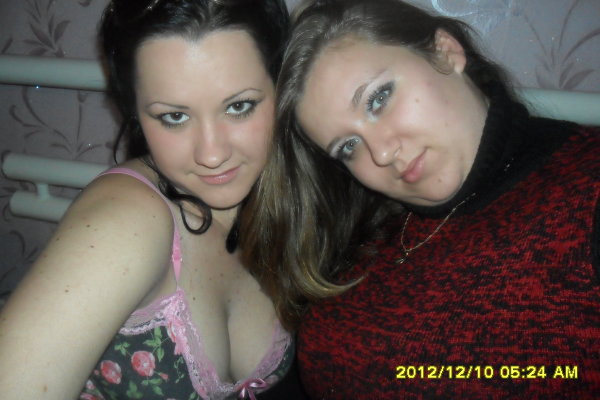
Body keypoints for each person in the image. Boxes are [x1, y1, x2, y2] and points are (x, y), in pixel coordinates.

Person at [240, 0, 600, 398]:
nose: (381, 153)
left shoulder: (585, 187)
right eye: (348, 146)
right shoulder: (375, 228)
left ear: (446, 51)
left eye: (379, 99)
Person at [0, 1, 309, 399]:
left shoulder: (295, 197)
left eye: (239, 106)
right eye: (174, 117)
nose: (211, 154)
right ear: (135, 112)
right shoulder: (126, 222)